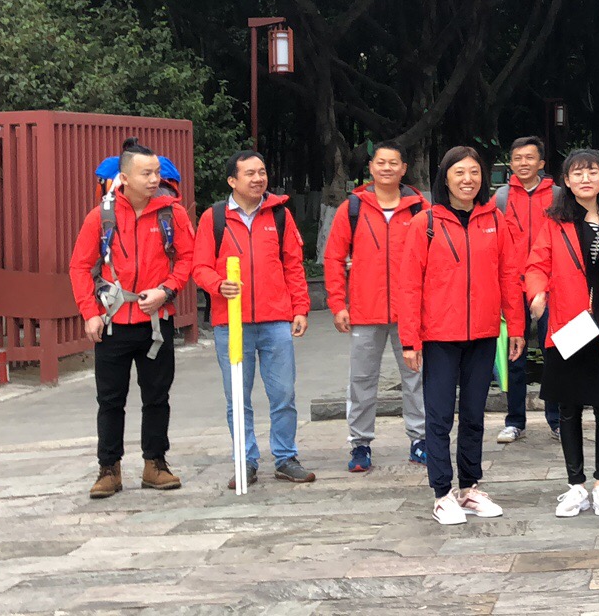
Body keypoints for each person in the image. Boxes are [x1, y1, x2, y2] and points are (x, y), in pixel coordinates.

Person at [397, 146, 525, 525]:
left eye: (474, 172)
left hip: (483, 334)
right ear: (446, 177)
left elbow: (508, 276)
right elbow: (409, 286)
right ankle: (442, 494)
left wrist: (516, 326)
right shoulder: (425, 223)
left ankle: (469, 487)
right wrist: (410, 340)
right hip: (439, 336)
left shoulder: (495, 219)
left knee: (473, 415)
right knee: (439, 417)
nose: (467, 180)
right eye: (459, 172)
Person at [525, 149, 599, 517]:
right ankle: (575, 485)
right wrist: (537, 292)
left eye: (592, 171)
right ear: (566, 181)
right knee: (569, 407)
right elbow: (536, 265)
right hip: (569, 323)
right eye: (577, 173)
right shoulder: (554, 222)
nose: (585, 179)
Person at [69, 138, 193, 498]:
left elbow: (188, 258)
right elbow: (79, 266)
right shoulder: (101, 216)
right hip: (112, 322)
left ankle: (156, 464)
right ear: (123, 178)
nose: (154, 179)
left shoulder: (172, 214)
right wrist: (90, 313)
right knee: (110, 400)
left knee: (157, 397)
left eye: (156, 173)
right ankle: (109, 469)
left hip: (157, 322)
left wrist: (167, 290)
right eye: (146, 173)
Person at [192, 150, 314, 488]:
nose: (258, 178)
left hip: (276, 320)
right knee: (237, 397)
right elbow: (199, 266)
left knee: (283, 394)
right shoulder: (214, 218)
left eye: (262, 172)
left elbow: (293, 265)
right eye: (250, 173)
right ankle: (245, 460)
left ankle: (286, 458)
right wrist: (218, 284)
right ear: (232, 180)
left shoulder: (279, 215)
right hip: (231, 322)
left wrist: (300, 308)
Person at [323, 141, 429, 473]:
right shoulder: (353, 207)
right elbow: (334, 257)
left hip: (410, 312)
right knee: (362, 379)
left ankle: (420, 440)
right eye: (380, 162)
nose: (386, 168)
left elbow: (435, 259)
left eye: (393, 163)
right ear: (370, 167)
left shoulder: (419, 208)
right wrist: (338, 303)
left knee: (416, 377)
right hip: (364, 311)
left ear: (403, 169)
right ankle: (360, 445)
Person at [495, 136, 561, 444]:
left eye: (530, 158)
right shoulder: (501, 197)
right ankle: (514, 421)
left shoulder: (558, 195)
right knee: (514, 355)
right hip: (512, 285)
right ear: (511, 163)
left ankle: (557, 420)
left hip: (550, 286)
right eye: (518, 158)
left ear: (541, 163)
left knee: (554, 353)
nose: (523, 163)